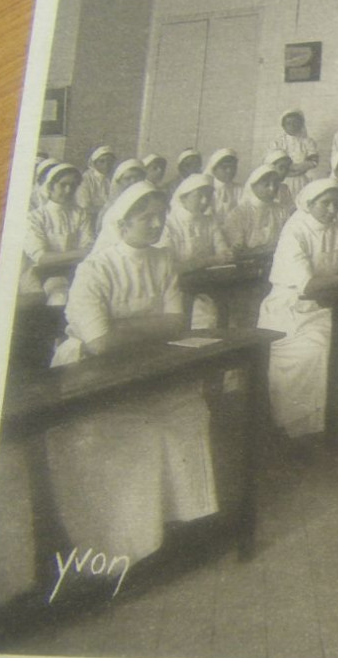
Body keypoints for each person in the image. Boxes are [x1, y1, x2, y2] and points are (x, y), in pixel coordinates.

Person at [45, 180, 219, 567]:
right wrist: (147, 326)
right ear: (121, 225)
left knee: (187, 415)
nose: (156, 225)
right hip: (88, 374)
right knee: (130, 433)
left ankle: (173, 526)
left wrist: (126, 329)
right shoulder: (95, 268)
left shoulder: (163, 260)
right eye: (146, 219)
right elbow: (99, 344)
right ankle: (119, 542)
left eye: (160, 217)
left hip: (146, 365)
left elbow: (176, 323)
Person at [258, 177, 338, 438]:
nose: (332, 210)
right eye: (325, 204)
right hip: (288, 311)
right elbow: (308, 285)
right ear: (308, 204)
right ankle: (305, 423)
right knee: (319, 346)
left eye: (336, 203)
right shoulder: (295, 231)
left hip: (321, 308)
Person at [159, 173, 234, 329]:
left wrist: (222, 256)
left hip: (204, 283)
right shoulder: (168, 225)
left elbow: (224, 253)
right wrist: (210, 260)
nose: (205, 201)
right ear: (183, 197)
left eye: (208, 196)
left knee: (221, 312)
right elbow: (171, 267)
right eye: (199, 196)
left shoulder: (209, 221)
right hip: (176, 288)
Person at [20, 162, 94, 299]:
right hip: (44, 274)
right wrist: (79, 253)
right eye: (63, 184)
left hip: (77, 271)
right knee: (60, 297)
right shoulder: (35, 217)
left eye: (73, 185)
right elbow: (41, 258)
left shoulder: (81, 214)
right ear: (50, 187)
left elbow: (89, 248)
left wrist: (60, 257)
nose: (68, 190)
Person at [222, 162, 290, 257]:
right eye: (266, 185)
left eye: (275, 184)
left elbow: (289, 241)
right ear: (253, 186)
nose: (272, 188)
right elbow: (238, 249)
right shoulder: (238, 214)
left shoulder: (282, 211)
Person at [93, 158, 149, 238]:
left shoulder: (151, 203)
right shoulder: (110, 209)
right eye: (127, 178)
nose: (133, 182)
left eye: (137, 177)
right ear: (119, 182)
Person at [274, 110, 320, 202]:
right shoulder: (277, 142)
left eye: (295, 123)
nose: (292, 126)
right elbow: (273, 162)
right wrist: (287, 172)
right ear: (283, 125)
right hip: (282, 179)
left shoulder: (308, 141)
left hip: (301, 179)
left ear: (301, 124)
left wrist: (299, 168)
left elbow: (313, 161)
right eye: (288, 123)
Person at [204, 148, 242, 227]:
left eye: (233, 167)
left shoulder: (240, 190)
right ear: (214, 169)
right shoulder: (206, 189)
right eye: (224, 167)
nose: (229, 171)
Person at [75, 145, 116, 213]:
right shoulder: (86, 179)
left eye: (110, 161)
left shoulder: (112, 178)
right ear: (94, 163)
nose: (106, 164)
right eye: (102, 161)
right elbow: (84, 205)